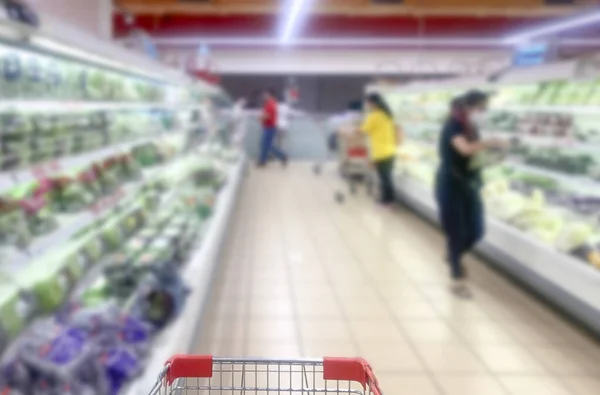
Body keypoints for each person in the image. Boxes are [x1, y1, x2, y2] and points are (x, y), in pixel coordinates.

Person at [435, 90, 503, 297]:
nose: (483, 113)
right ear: (469, 107)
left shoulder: (472, 128)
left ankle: (454, 254)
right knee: (458, 232)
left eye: (485, 109)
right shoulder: (453, 126)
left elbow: (474, 155)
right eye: (481, 108)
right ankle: (457, 279)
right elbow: (464, 149)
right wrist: (490, 143)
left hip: (471, 184)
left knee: (477, 230)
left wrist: (494, 156)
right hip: (451, 184)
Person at [361, 93, 399, 205]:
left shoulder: (374, 116)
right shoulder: (388, 114)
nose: (367, 105)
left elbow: (363, 130)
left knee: (384, 178)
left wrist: (352, 130)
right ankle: (390, 199)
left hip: (380, 152)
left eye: (368, 102)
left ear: (373, 103)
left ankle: (386, 201)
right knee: (387, 177)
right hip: (390, 150)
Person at [258, 89, 287, 166]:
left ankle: (281, 156)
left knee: (266, 145)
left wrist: (260, 118)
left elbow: (268, 115)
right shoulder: (270, 103)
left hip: (269, 127)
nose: (263, 97)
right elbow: (266, 114)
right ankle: (263, 161)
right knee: (266, 145)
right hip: (269, 127)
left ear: (269, 95)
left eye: (264, 95)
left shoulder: (270, 104)